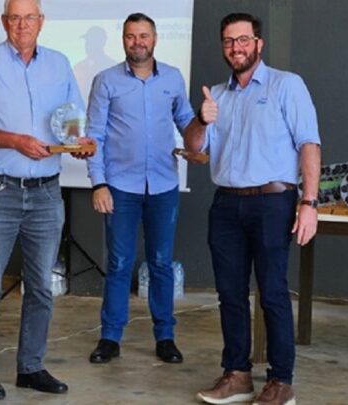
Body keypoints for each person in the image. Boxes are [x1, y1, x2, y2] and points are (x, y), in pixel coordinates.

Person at [0, 0, 92, 399]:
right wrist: (13, 140)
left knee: (41, 287)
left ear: (41, 22)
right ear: (4, 22)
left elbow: (71, 124)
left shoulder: (60, 63)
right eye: (15, 17)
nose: (22, 24)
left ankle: (30, 367)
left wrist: (79, 143)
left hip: (47, 191)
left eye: (30, 17)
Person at [185, 13, 321, 405]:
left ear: (258, 44)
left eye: (243, 40)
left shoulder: (286, 85)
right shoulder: (219, 97)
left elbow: (309, 144)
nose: (236, 48)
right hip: (226, 204)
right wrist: (200, 118)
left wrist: (308, 203)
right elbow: (195, 147)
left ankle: (281, 381)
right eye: (229, 41)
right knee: (229, 294)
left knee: (273, 293)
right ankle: (237, 374)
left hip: (273, 202)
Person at [85, 13, 197, 365]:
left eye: (143, 35)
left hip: (163, 185)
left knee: (161, 262)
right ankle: (110, 337)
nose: (138, 42)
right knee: (119, 263)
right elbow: (94, 137)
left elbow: (187, 123)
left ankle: (165, 336)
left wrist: (203, 134)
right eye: (131, 36)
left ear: (155, 38)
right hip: (119, 186)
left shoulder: (174, 79)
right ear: (123, 40)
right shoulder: (106, 81)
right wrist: (99, 183)